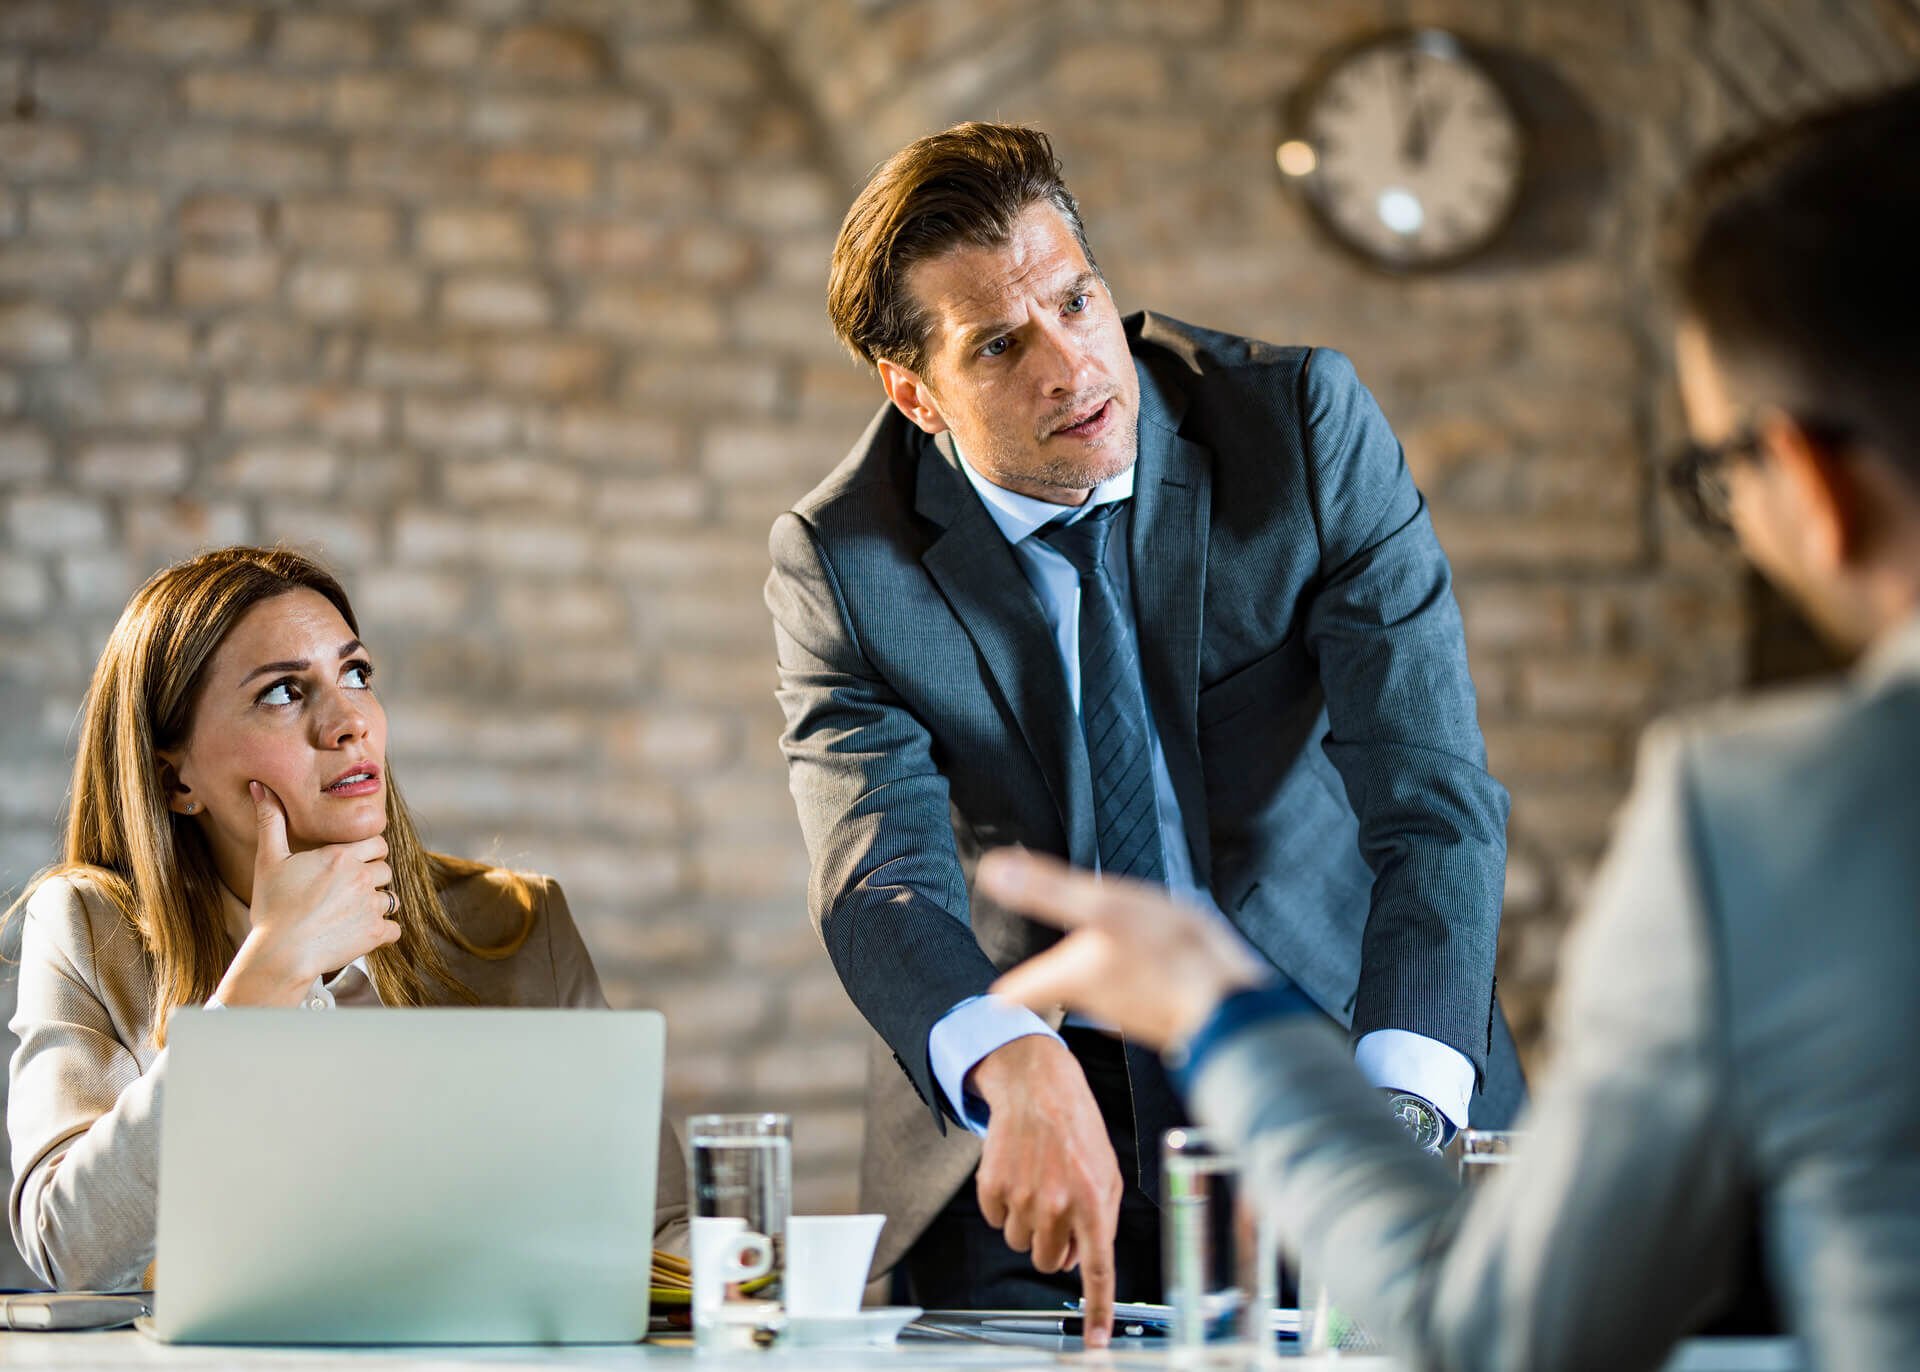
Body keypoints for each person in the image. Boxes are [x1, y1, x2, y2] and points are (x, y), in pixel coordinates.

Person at [980, 84, 1920, 1370]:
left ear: (1810, 486)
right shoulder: (848, 547)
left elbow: (1498, 1332)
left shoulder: (1760, 825)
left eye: (1720, 477)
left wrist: (1217, 1005)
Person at [765, 121, 1522, 1337]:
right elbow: (881, 879)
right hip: (1034, 1102)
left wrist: (1391, 1129)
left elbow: (1432, 801)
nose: (1072, 364)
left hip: (1330, 1046)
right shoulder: (845, 559)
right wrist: (1008, 1059)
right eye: (1000, 343)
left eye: (1076, 299)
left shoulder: (1301, 433)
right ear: (914, 393)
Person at [5, 546, 689, 1292]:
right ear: (176, 779)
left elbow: (657, 1230)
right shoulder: (86, 929)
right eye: (282, 694)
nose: (347, 723)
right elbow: (70, 1251)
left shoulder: (519, 924)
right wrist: (267, 974)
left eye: (355, 675)